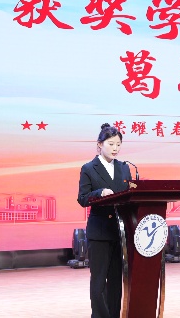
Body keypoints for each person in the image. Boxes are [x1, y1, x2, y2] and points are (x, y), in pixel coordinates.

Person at [77, 123, 132, 318]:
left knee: (116, 280)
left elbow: (130, 195)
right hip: (99, 231)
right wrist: (99, 193)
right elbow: (82, 198)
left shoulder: (124, 168)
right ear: (99, 144)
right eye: (111, 144)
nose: (115, 148)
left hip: (119, 231)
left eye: (118, 144)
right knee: (99, 281)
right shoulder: (88, 168)